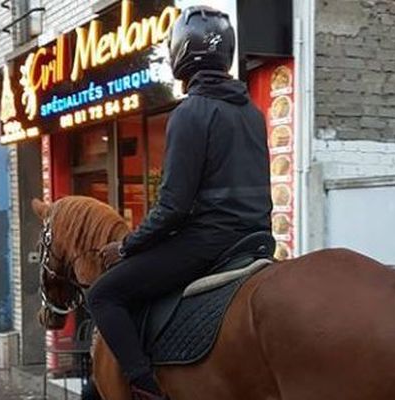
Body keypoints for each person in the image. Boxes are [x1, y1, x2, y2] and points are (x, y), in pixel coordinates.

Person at [88, 5, 272, 400]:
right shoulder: (252, 113)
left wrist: (127, 245)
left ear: (182, 52)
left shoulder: (191, 112)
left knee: (103, 294)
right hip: (256, 239)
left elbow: (173, 206)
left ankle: (143, 385)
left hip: (209, 242)